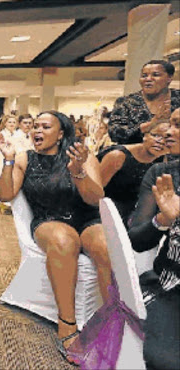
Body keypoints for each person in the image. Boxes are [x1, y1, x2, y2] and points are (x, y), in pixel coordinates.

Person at [0, 111, 111, 365]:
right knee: (64, 240)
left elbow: (95, 199)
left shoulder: (82, 155)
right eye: (35, 126)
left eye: (45, 127)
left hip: (86, 217)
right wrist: (7, 160)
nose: (37, 131)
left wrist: (78, 171)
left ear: (61, 134)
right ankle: (67, 324)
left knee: (105, 243)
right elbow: (5, 195)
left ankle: (112, 321)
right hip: (49, 220)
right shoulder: (25, 158)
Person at [128, 109, 180, 369]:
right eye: (171, 123)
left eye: (178, 126)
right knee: (163, 359)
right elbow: (137, 240)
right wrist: (163, 220)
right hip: (168, 285)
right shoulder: (161, 174)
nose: (169, 132)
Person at [98, 120, 169, 226]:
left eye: (167, 139)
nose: (160, 141)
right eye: (156, 135)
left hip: (134, 216)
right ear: (144, 136)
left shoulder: (163, 160)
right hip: (103, 213)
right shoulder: (118, 156)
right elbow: (94, 192)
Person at [109, 60, 180, 144]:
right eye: (144, 75)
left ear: (169, 78)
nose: (148, 79)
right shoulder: (126, 102)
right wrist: (151, 125)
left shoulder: (177, 98)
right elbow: (115, 134)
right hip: (137, 154)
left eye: (155, 75)